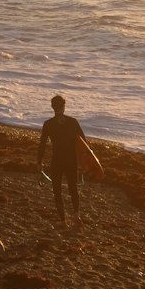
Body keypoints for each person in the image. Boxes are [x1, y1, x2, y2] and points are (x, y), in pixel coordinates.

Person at [36, 94, 102, 227]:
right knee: (73, 189)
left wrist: (39, 162)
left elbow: (42, 144)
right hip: (71, 160)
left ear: (52, 107)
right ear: (64, 106)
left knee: (57, 190)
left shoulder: (48, 124)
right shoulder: (73, 122)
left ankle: (62, 220)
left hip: (57, 161)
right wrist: (86, 163)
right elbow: (83, 143)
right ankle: (77, 215)